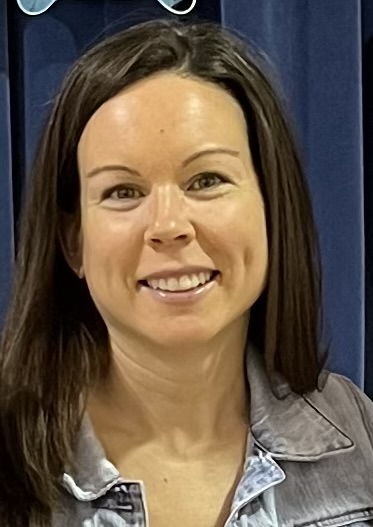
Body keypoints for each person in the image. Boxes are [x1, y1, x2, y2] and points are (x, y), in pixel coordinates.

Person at [0, 17, 372, 527]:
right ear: (74, 242)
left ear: (271, 209)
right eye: (123, 192)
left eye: (206, 180)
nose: (169, 226)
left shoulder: (358, 433)